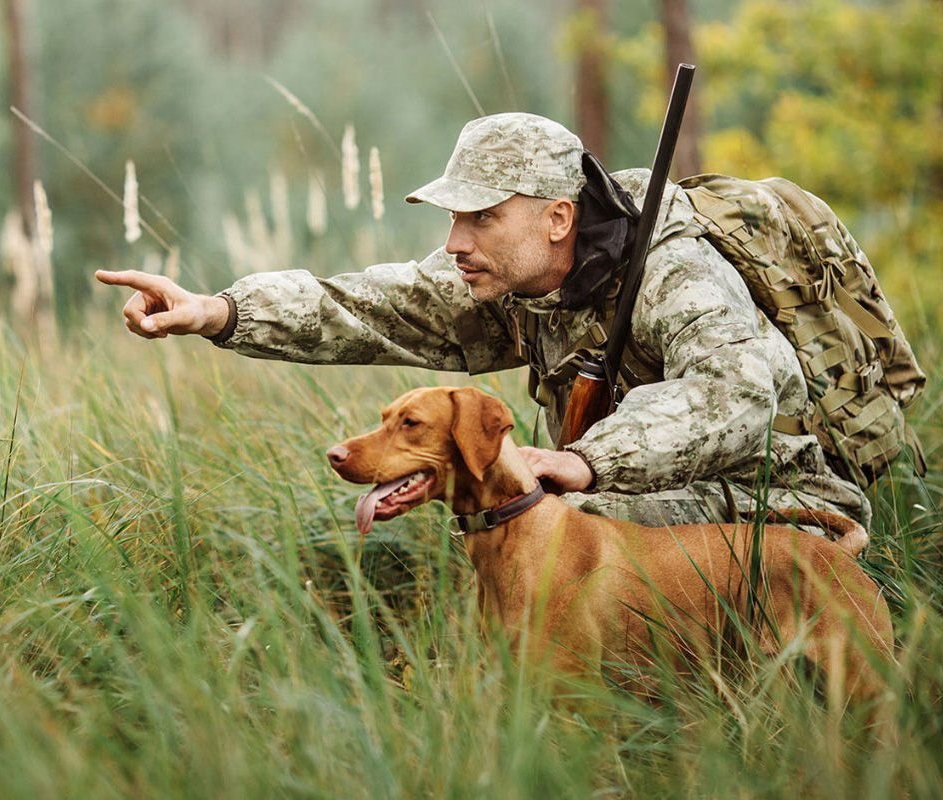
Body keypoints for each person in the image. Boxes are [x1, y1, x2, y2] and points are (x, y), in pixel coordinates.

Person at [95, 113, 869, 528]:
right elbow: (368, 305)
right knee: (535, 515)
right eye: (454, 217)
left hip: (779, 497)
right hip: (640, 496)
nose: (456, 243)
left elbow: (736, 393)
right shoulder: (507, 276)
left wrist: (586, 462)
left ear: (558, 217)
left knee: (564, 515)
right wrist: (217, 310)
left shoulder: (673, 271)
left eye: (483, 218)